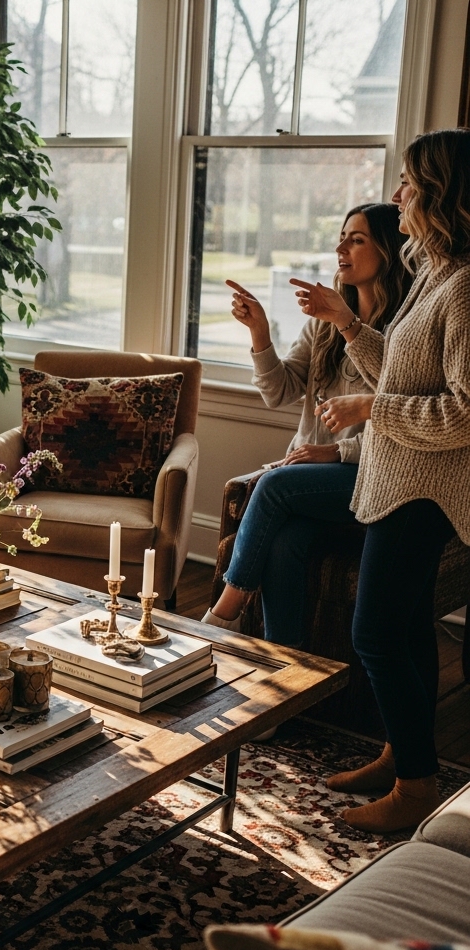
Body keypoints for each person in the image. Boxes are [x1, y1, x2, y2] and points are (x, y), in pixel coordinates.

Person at [292, 128, 470, 833]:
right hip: (396, 477)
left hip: (422, 490)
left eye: (410, 183)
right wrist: (350, 333)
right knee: (408, 631)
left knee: (374, 635)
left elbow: (464, 410)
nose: (399, 196)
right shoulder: (432, 270)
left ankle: (417, 787)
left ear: (441, 192)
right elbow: (398, 366)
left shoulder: (464, 288)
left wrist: (372, 407)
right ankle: (404, 756)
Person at [202, 203, 411, 651]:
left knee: (274, 485)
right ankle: (286, 670)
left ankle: (223, 613)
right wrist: (260, 333)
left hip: (370, 479)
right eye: (341, 237)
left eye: (356, 239)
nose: (341, 248)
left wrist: (336, 453)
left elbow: (398, 408)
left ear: (389, 251)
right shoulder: (324, 325)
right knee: (284, 545)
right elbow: (279, 391)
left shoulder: (403, 328)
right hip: (309, 477)